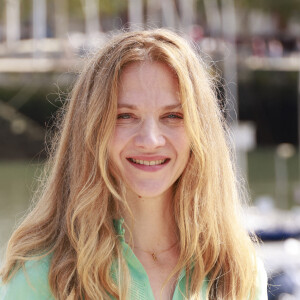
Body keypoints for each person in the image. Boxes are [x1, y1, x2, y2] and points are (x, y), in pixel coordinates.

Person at [0, 29, 267, 300]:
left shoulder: (239, 273)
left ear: (200, 132)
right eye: (125, 116)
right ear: (90, 131)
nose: (150, 140)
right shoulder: (40, 279)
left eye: (173, 115)